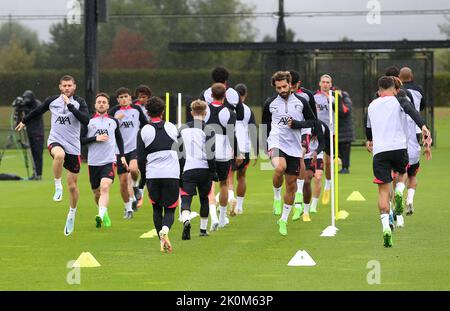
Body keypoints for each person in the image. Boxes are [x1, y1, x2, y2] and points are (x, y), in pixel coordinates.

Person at [15, 75, 89, 236]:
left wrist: (70, 107)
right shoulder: (52, 101)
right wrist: (24, 121)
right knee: (59, 156)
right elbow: (38, 111)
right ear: (60, 87)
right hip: (56, 141)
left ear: (74, 87)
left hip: (74, 148)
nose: (67, 88)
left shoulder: (79, 102)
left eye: (70, 85)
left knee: (72, 186)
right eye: (64, 85)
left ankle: (71, 214)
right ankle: (57, 186)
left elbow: (86, 120)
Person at [366, 76, 431, 247]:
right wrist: (423, 126)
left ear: (380, 90)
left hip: (379, 152)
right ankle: (401, 191)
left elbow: (368, 129)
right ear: (394, 89)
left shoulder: (372, 105)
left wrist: (369, 140)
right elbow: (411, 110)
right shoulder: (399, 100)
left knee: (383, 191)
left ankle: (386, 227)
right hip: (399, 149)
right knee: (402, 174)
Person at [261, 71, 316, 236]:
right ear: (275, 87)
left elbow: (313, 121)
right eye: (278, 87)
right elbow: (265, 125)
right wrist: (264, 144)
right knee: (280, 167)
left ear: (290, 84)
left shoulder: (301, 102)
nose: (282, 90)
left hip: (294, 146)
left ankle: (283, 220)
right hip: (276, 141)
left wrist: (298, 124)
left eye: (284, 86)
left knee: (291, 185)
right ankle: (276, 197)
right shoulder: (270, 103)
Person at [137, 96, 180, 253]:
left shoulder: (143, 131)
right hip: (172, 174)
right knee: (170, 209)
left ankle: (161, 241)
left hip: (153, 175)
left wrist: (144, 176)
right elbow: (182, 153)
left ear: (147, 112)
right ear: (163, 111)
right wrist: (180, 173)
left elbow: (141, 158)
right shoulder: (172, 127)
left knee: (156, 209)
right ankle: (166, 230)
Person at [81, 92, 127, 228]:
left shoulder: (113, 122)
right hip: (94, 163)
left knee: (105, 186)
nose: (101, 104)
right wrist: (95, 138)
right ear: (95, 105)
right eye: (99, 102)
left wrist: (122, 155)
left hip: (109, 161)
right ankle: (103, 212)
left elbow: (119, 139)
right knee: (96, 193)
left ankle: (100, 216)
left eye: (104, 102)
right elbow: (80, 140)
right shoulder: (88, 121)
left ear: (108, 105)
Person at [204, 83, 243, 230]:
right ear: (225, 96)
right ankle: (221, 218)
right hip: (223, 153)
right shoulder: (229, 112)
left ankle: (211, 218)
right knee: (224, 184)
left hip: (206, 152)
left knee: (209, 187)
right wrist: (237, 151)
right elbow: (231, 133)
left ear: (211, 95)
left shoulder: (204, 110)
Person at [178, 100, 218, 239]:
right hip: (204, 169)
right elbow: (210, 153)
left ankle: (186, 220)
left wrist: (179, 171)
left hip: (187, 169)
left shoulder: (182, 129)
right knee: (204, 199)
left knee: (186, 198)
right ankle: (202, 229)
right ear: (205, 113)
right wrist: (213, 172)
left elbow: (179, 152)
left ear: (191, 113)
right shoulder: (209, 129)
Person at [109, 87, 148, 219]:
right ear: (117, 100)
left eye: (126, 96)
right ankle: (128, 207)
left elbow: (145, 124)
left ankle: (136, 186)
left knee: (133, 169)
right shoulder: (114, 112)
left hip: (134, 147)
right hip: (119, 150)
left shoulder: (136, 110)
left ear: (130, 98)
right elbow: (108, 129)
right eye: (121, 97)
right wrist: (116, 120)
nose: (124, 99)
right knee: (124, 182)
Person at [399, 67, 429, 215]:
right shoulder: (418, 89)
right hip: (417, 129)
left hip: (403, 129)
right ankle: (410, 199)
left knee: (401, 170)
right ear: (412, 76)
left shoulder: (399, 91)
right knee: (413, 173)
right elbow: (423, 105)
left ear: (399, 77)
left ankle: (398, 192)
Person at [289, 70, 317, 219]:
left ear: (297, 84)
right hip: (288, 139)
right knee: (291, 178)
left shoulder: (306, 97)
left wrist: (315, 134)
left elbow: (314, 119)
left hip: (305, 134)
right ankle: (295, 205)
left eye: (292, 85)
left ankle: (305, 210)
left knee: (307, 179)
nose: (289, 88)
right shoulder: (278, 98)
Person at [227, 83, 258, 215]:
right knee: (242, 176)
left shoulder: (227, 108)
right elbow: (253, 130)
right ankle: (239, 206)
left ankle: (230, 199)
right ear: (245, 95)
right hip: (245, 147)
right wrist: (256, 151)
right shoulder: (248, 110)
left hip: (230, 146)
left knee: (228, 177)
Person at [133, 85, 152, 208]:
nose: (141, 99)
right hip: (135, 140)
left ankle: (140, 195)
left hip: (148, 140)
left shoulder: (152, 107)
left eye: (144, 97)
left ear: (148, 97)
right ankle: (136, 193)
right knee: (136, 169)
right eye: (139, 96)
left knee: (145, 170)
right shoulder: (134, 107)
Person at [21, 90, 45, 180]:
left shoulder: (38, 104)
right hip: (29, 133)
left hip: (38, 133)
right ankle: (35, 173)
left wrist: (25, 109)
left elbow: (35, 114)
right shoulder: (26, 105)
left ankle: (38, 174)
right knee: (32, 154)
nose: (26, 101)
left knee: (37, 154)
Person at [335, 87, 354, 174]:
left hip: (346, 131)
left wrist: (336, 101)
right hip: (339, 131)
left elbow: (344, 111)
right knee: (340, 151)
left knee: (345, 151)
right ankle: (343, 167)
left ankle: (345, 168)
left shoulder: (346, 100)